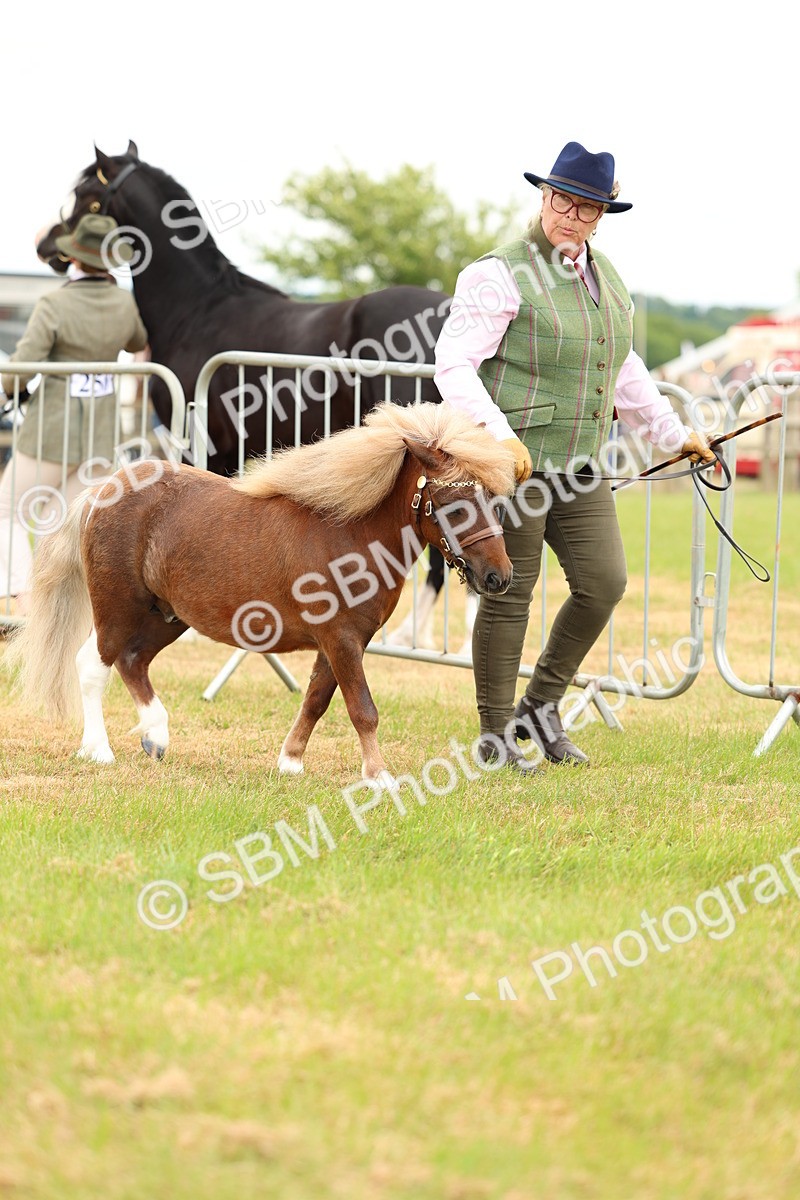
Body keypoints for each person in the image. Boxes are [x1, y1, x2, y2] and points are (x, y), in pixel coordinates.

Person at [434, 141, 715, 772]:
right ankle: (495, 734)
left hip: (580, 463)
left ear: (602, 216)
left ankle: (540, 707)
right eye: (564, 201)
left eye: (589, 209)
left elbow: (622, 365)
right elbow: (452, 363)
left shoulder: (606, 276)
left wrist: (674, 434)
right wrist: (497, 435)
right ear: (544, 196)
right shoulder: (499, 273)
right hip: (515, 463)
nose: (573, 216)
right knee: (510, 592)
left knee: (604, 583)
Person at [0, 213, 148, 614]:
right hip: (99, 434)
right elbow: (138, 340)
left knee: (7, 510)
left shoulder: (55, 302)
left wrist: (12, 388)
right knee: (60, 525)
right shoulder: (123, 303)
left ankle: (27, 603)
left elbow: (20, 367)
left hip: (51, 430)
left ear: (74, 257)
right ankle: (59, 612)